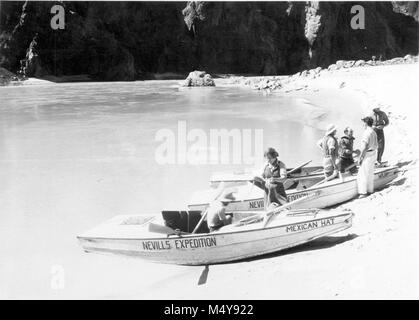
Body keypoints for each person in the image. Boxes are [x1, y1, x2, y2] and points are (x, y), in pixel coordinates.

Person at [357, 116, 378, 198]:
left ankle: (363, 193)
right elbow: (376, 144)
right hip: (373, 153)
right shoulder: (373, 132)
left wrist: (360, 157)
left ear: (366, 123)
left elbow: (364, 147)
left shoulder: (366, 132)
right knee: (370, 173)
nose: (362, 125)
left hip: (368, 154)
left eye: (363, 123)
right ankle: (370, 190)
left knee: (362, 174)